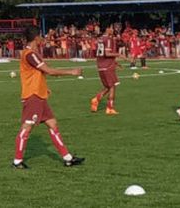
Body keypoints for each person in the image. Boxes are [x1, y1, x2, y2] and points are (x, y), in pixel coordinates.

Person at [13, 28, 85, 169]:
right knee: (26, 128)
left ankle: (68, 158)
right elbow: (49, 71)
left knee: (52, 124)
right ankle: (17, 161)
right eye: (41, 36)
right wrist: (72, 72)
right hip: (32, 96)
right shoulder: (30, 54)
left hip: (40, 95)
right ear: (36, 38)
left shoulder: (32, 53)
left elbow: (39, 74)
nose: (42, 38)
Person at [90, 27, 122, 115]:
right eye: (111, 28)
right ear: (107, 29)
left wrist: (115, 62)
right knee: (112, 86)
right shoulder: (108, 39)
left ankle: (96, 99)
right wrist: (119, 55)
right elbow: (107, 53)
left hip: (100, 65)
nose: (113, 30)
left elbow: (101, 53)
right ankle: (110, 108)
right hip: (107, 66)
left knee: (108, 86)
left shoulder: (100, 39)